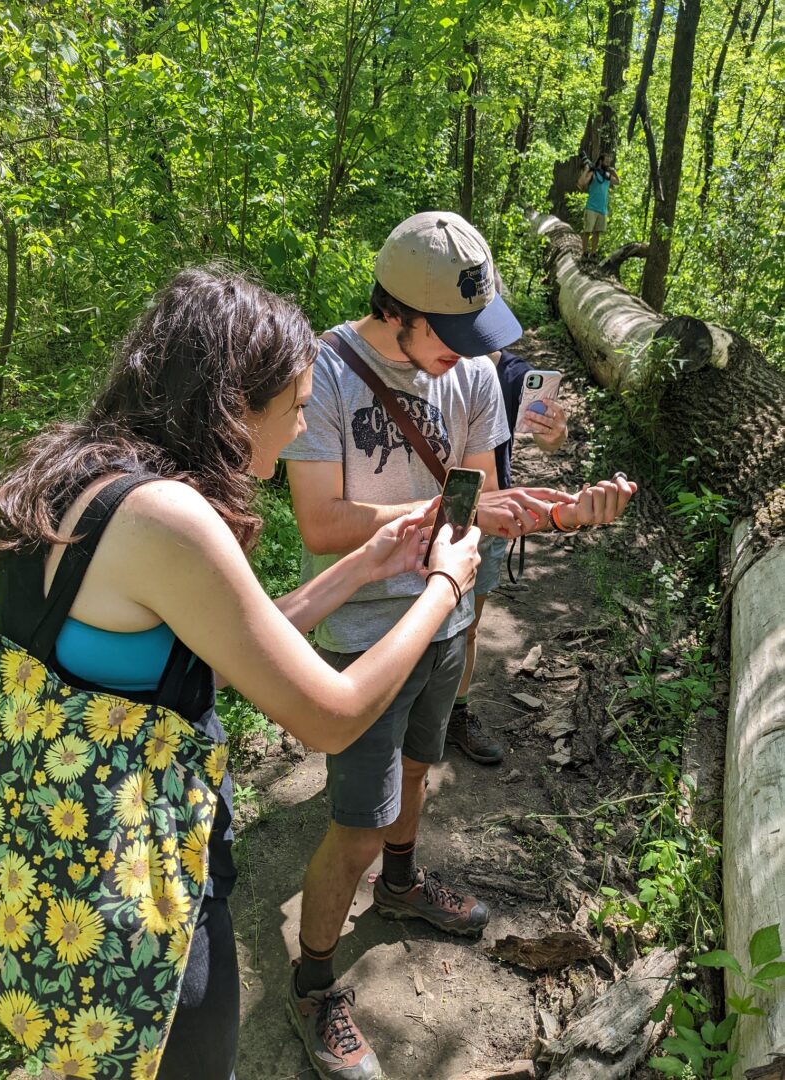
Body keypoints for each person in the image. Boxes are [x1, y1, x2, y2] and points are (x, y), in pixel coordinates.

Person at [0, 266, 483, 1080]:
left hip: (50, 865)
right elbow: (330, 714)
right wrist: (443, 584)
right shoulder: (169, 518)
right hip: (142, 892)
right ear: (231, 403)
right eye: (291, 410)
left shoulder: (84, 479)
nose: (291, 442)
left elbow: (226, 641)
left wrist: (360, 567)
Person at [281, 211, 637, 1080]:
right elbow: (323, 524)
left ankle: (401, 885)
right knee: (352, 829)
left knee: (418, 768)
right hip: (365, 629)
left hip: (445, 613)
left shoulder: (471, 374)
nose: (467, 352)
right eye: (449, 332)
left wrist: (561, 511)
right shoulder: (321, 375)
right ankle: (313, 981)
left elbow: (476, 498)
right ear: (397, 309)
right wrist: (442, 522)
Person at [446, 336, 569, 764]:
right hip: (428, 513)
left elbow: (546, 442)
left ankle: (455, 715)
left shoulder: (514, 375)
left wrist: (556, 433)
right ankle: (407, 726)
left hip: (490, 516)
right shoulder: (428, 360)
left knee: (467, 626)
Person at [579, 152, 620, 258]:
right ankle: (584, 252)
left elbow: (617, 182)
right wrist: (587, 169)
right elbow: (581, 183)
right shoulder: (593, 173)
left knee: (597, 232)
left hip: (602, 209)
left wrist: (614, 172)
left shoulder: (606, 176)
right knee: (587, 231)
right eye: (606, 161)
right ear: (601, 161)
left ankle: (593, 253)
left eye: (609, 161)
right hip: (592, 207)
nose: (608, 163)